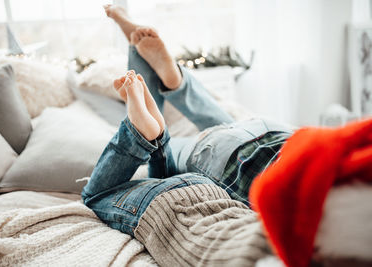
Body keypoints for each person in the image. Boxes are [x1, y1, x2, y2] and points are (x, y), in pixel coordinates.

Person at [82, 5, 293, 266]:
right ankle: (148, 127)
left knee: (229, 129)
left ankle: (175, 82)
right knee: (172, 146)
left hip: (274, 134)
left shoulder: (344, 174)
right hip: (227, 164)